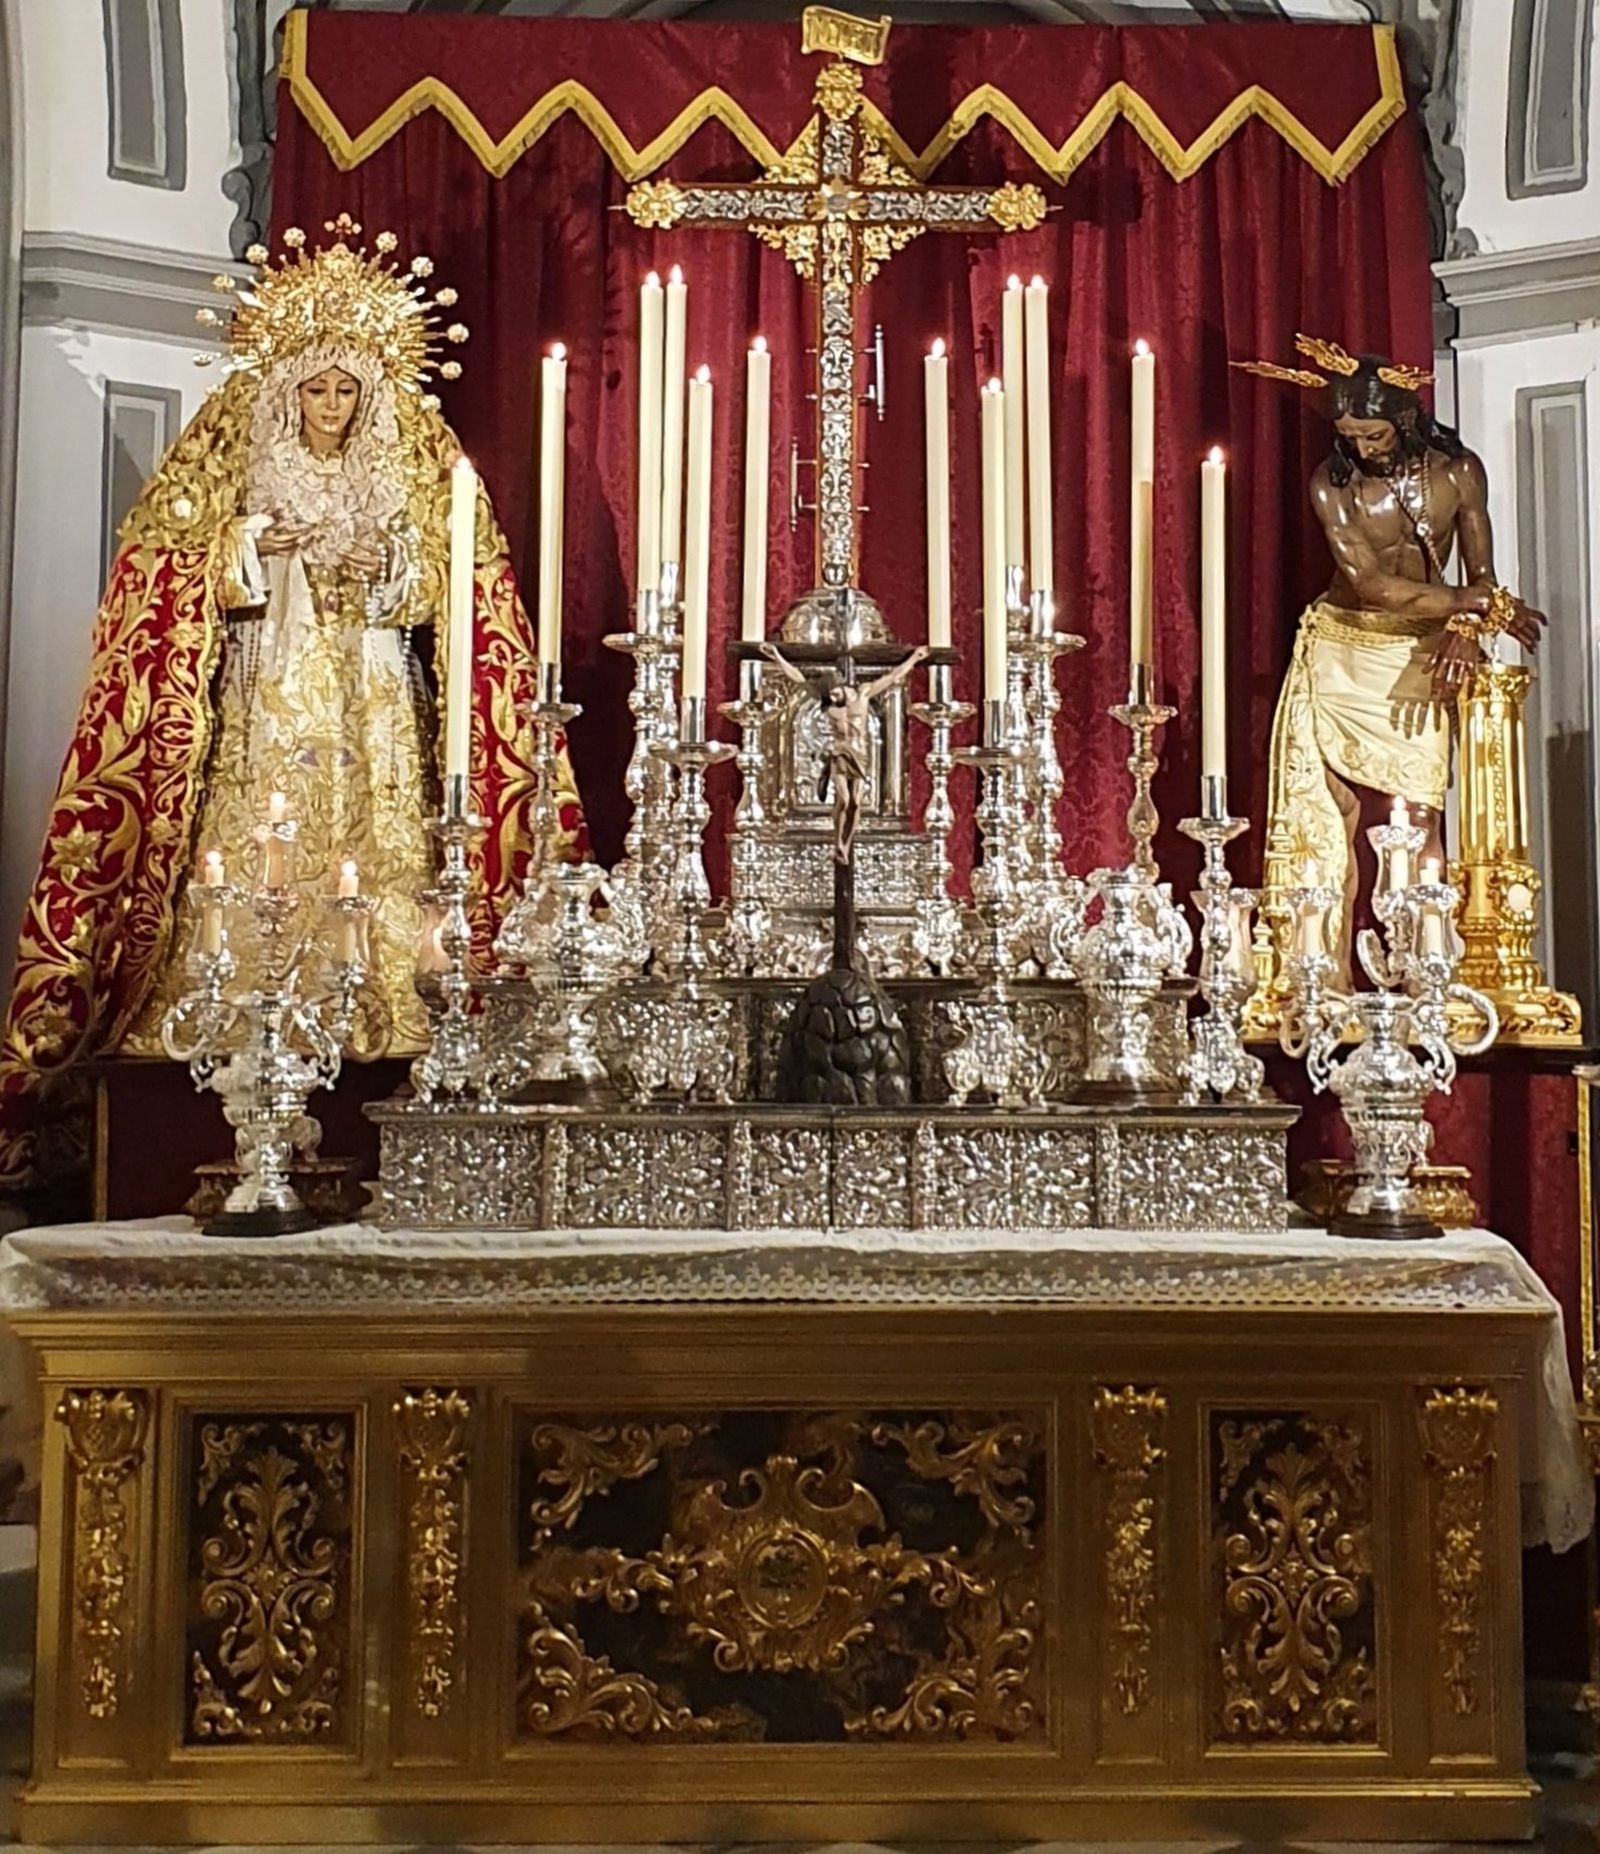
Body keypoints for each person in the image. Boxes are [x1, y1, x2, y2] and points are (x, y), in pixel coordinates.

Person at [0, 216, 583, 1195]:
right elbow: (168, 579)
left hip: (372, 695)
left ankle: (391, 1006)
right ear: (283, 388)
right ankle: (247, 1004)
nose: (329, 407)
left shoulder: (417, 464)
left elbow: (457, 596)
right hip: (266, 684)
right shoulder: (227, 456)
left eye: (346, 391)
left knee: (382, 846)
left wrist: (389, 566)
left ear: (371, 392)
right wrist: (250, 554)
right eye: (313, 389)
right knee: (262, 843)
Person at [1237, 334, 1544, 976]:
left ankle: (1423, 973)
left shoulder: (1459, 472)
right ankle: (1318, 975)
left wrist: (1469, 624)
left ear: (1404, 420)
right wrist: (1475, 605)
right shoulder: (1334, 485)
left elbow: (1482, 572)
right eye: (1350, 435)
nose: (1362, 447)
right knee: (1326, 811)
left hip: (1421, 653)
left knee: (1423, 808)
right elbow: (1372, 584)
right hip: (1345, 647)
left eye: (1373, 435)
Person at [761, 641, 927, 865]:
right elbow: (798, 678)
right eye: (830, 695)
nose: (832, 698)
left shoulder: (864, 694)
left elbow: (893, 677)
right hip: (840, 753)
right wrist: (777, 656)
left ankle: (845, 846)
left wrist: (914, 658)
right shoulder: (829, 703)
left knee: (856, 803)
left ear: (841, 684)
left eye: (835, 693)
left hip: (860, 755)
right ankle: (837, 841)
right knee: (844, 799)